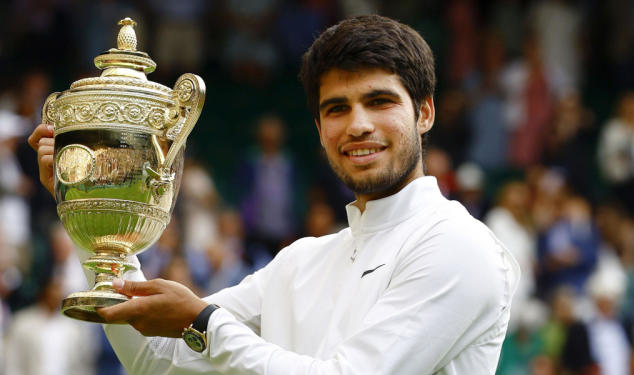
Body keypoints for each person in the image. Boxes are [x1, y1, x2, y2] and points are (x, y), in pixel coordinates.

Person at [28, 15, 520, 374]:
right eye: (337, 108)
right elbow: (158, 361)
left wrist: (203, 321)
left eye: (379, 101)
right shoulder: (303, 260)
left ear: (425, 113)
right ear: (320, 126)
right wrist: (93, 218)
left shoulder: (460, 246)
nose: (358, 125)